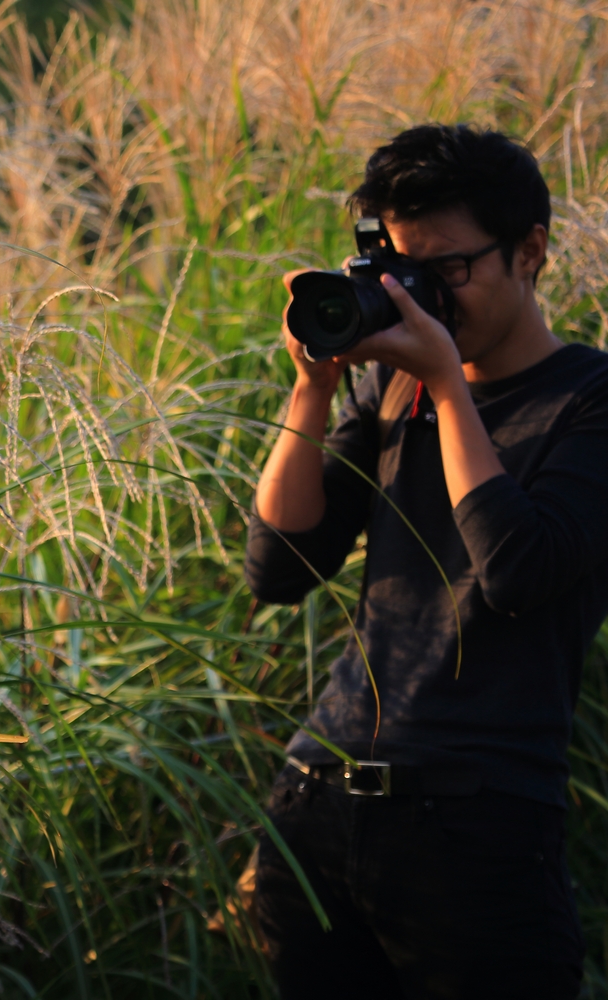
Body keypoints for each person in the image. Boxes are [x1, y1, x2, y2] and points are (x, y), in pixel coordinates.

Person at [245, 122, 608, 998]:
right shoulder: (391, 385)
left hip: (477, 826)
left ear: (530, 252)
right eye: (401, 269)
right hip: (318, 803)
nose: (424, 297)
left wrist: (447, 384)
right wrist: (314, 385)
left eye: (447, 269)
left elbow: (515, 570)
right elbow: (280, 565)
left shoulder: (587, 400)